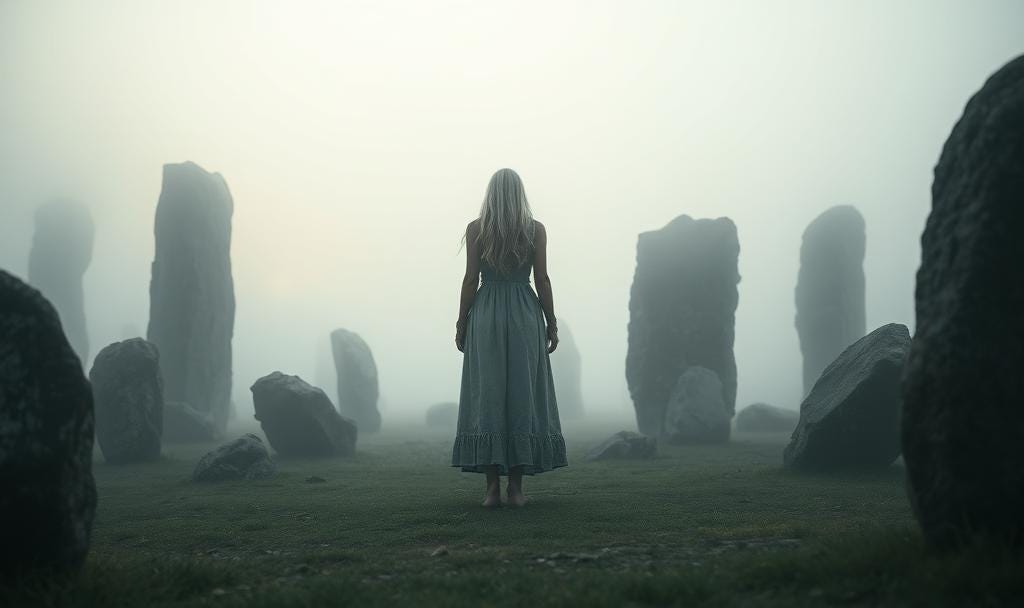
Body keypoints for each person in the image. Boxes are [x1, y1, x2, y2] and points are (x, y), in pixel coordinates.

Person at [451, 168, 568, 507]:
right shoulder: (535, 230)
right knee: (523, 393)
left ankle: (491, 490)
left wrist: (461, 322)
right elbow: (542, 279)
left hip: (486, 314)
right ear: (520, 193)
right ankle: (516, 489)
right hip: (523, 315)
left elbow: (471, 279)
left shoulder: (477, 229)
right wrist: (551, 322)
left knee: (487, 393)